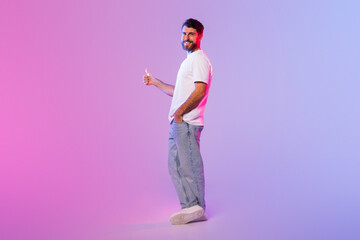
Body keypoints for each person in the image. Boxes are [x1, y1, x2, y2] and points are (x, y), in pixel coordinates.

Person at [143, 18, 213, 225]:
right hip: (178, 122)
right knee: (175, 165)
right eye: (184, 34)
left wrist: (180, 114)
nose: (187, 38)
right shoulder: (188, 61)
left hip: (188, 122)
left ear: (199, 36)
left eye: (191, 34)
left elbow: (200, 90)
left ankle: (198, 208)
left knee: (190, 166)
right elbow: (178, 93)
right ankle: (189, 207)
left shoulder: (199, 59)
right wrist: (155, 82)